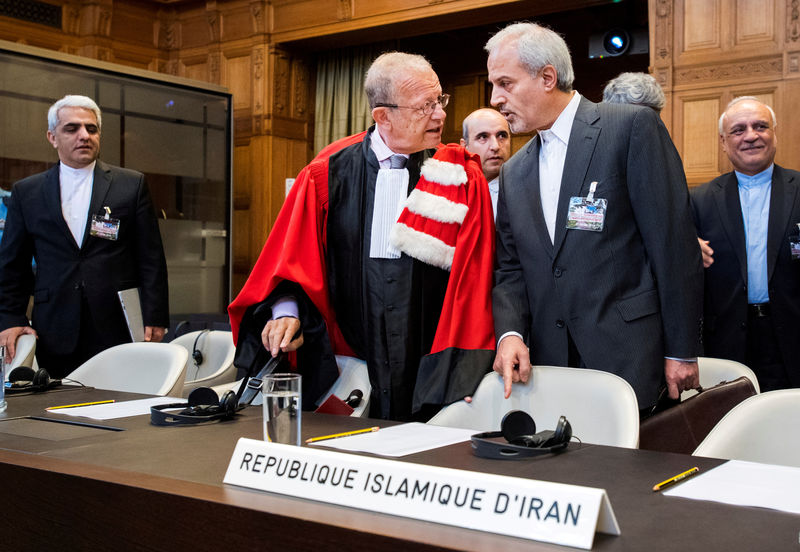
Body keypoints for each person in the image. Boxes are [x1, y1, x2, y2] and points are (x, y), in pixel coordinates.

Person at [228, 52, 495, 421]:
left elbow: (475, 284)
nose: (441, 115)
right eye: (425, 106)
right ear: (383, 116)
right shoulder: (327, 173)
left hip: (428, 356)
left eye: (440, 101)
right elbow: (291, 261)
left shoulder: (460, 177)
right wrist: (287, 313)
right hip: (350, 353)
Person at [486, 22, 703, 411]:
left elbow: (672, 246)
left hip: (629, 357)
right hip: (549, 367)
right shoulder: (514, 171)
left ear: (547, 77)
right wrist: (511, 335)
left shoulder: (629, 128)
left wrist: (682, 350)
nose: (495, 98)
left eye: (505, 83)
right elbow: (510, 269)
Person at [0, 95, 169, 378]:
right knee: (55, 410)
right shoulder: (27, 192)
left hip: (116, 322)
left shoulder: (130, 185)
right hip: (53, 323)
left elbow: (150, 257)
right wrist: (10, 318)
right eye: (72, 129)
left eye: (91, 129)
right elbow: (12, 265)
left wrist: (155, 316)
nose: (84, 136)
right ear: (52, 137)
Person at [691, 97, 800, 391]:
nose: (751, 135)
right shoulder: (699, 201)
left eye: (760, 126)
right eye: (739, 130)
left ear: (774, 134)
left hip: (792, 338)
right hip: (726, 342)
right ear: (724, 142)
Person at [460, 108, 512, 219]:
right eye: (483, 137)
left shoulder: (527, 190)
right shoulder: (451, 191)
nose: (495, 146)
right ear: (464, 146)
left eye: (502, 136)